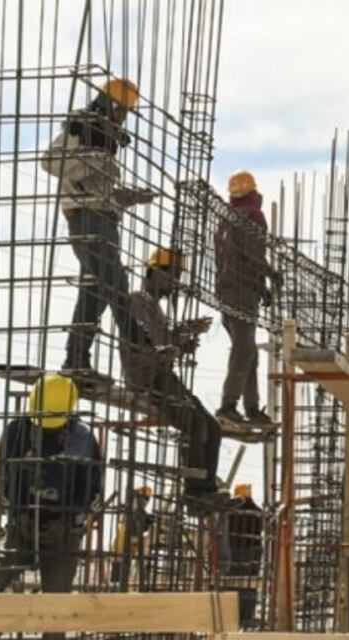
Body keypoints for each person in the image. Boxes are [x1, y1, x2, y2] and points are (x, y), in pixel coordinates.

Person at [42, 76, 156, 378]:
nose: (122, 117)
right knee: (115, 281)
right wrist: (91, 160)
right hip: (85, 219)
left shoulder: (106, 137)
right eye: (120, 110)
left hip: (103, 219)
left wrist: (131, 196)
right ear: (107, 104)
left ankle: (76, 360)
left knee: (94, 296)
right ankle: (134, 336)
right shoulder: (80, 128)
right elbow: (50, 162)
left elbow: (102, 192)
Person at [0, 374, 103, 640]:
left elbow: (91, 488)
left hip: (63, 531)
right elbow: (6, 479)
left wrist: (70, 519)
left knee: (56, 604)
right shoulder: (17, 432)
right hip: (22, 523)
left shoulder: (82, 438)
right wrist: (20, 512)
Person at [120, 248, 226, 513]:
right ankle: (194, 493)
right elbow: (156, 339)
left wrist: (183, 342)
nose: (176, 283)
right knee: (193, 422)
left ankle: (207, 491)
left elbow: (166, 342)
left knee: (212, 427)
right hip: (147, 377)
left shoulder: (155, 306)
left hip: (162, 374)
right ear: (154, 273)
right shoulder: (138, 300)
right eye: (173, 275)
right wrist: (183, 332)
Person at [214, 170, 280, 424]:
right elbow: (252, 253)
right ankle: (228, 405)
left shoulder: (226, 219)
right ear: (253, 192)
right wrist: (270, 274)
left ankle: (251, 408)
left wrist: (261, 287)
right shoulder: (253, 215)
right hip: (242, 292)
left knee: (249, 350)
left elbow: (234, 257)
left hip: (226, 292)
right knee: (244, 349)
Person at [218, 483, 264, 627]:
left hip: (233, 551)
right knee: (249, 584)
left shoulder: (230, 511)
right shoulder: (258, 512)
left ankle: (231, 617)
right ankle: (247, 617)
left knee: (233, 584)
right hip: (253, 553)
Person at [110, 485, 155, 584]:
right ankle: (117, 584)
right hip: (123, 543)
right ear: (138, 497)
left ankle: (124, 583)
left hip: (130, 542)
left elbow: (140, 526)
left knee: (126, 568)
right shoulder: (132, 508)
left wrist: (148, 521)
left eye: (148, 499)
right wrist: (146, 522)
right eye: (144, 498)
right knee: (119, 569)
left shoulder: (139, 510)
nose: (146, 501)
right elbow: (135, 526)